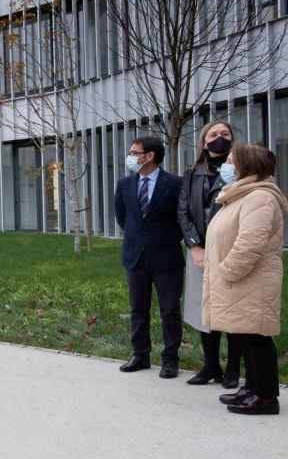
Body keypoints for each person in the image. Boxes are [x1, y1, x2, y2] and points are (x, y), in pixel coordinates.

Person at [204, 143, 286, 415]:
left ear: (247, 164)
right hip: (241, 281)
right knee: (246, 336)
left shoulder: (260, 197)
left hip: (250, 279)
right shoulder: (241, 194)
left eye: (231, 160)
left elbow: (250, 243)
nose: (226, 165)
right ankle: (252, 388)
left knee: (257, 338)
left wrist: (227, 270)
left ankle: (265, 398)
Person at [177, 121, 242, 387]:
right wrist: (194, 245)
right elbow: (183, 211)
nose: (219, 139)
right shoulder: (193, 173)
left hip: (231, 251)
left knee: (234, 310)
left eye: (225, 134)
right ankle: (211, 366)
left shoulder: (242, 171)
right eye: (213, 135)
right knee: (206, 310)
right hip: (200, 253)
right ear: (204, 142)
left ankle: (233, 369)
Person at [114, 136, 184, 379]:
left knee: (170, 311)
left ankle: (170, 359)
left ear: (150, 155)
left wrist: (162, 239)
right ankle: (140, 354)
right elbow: (123, 217)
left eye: (135, 152)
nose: (130, 156)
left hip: (166, 257)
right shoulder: (124, 184)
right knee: (138, 309)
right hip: (135, 256)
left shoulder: (175, 184)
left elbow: (181, 218)